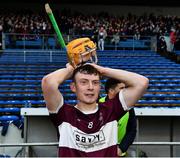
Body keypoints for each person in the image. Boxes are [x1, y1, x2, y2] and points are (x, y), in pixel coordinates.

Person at [41, 38, 149, 157]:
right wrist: (71, 69)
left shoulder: (111, 110)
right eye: (84, 82)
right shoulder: (64, 113)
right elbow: (48, 83)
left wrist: (103, 70)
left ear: (100, 87)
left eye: (95, 82)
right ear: (73, 87)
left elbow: (142, 82)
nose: (90, 87)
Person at [99, 78, 137, 157]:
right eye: (122, 88)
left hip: (118, 154)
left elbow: (132, 131)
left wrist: (121, 148)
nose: (125, 91)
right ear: (111, 90)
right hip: (99, 152)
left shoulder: (129, 107)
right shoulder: (98, 104)